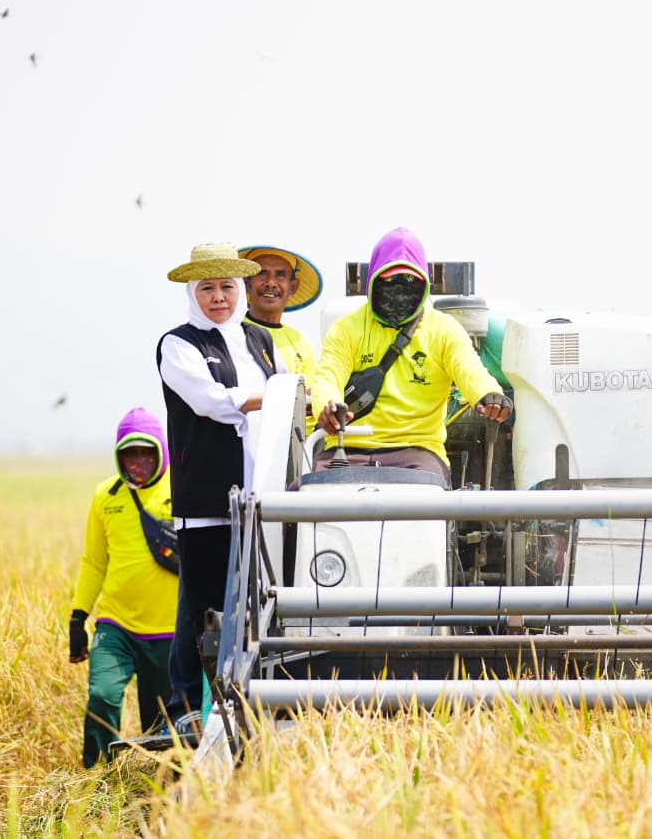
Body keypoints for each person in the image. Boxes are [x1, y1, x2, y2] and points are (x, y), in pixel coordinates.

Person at [156, 243, 279, 724]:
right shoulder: (178, 343)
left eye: (227, 286)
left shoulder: (258, 341)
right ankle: (186, 708)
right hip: (206, 499)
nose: (219, 297)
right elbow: (209, 401)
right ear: (193, 292)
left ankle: (245, 701)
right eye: (207, 287)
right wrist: (261, 400)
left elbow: (282, 395)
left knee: (255, 605)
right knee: (200, 612)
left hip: (258, 499)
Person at [310, 227, 512, 486]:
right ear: (373, 281)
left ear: (424, 285)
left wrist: (489, 395)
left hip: (418, 450)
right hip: (347, 448)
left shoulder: (443, 329)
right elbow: (328, 376)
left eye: (409, 282)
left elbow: (470, 370)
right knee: (301, 503)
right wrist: (328, 408)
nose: (399, 292)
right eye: (390, 282)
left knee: (425, 502)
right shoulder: (346, 329)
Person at [68, 407, 177, 768]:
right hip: (116, 625)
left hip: (169, 631)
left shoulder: (181, 488)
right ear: (119, 455)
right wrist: (78, 617)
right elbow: (94, 561)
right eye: (130, 453)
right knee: (102, 695)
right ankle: (98, 777)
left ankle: (155, 787)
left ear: (161, 450)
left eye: (147, 452)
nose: (138, 462)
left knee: (160, 726)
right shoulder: (106, 496)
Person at [238, 245, 323, 433]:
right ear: (246, 283)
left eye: (280, 275)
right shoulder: (232, 331)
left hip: (289, 444)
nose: (271, 283)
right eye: (262, 274)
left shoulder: (301, 343)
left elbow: (310, 402)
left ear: (293, 286)